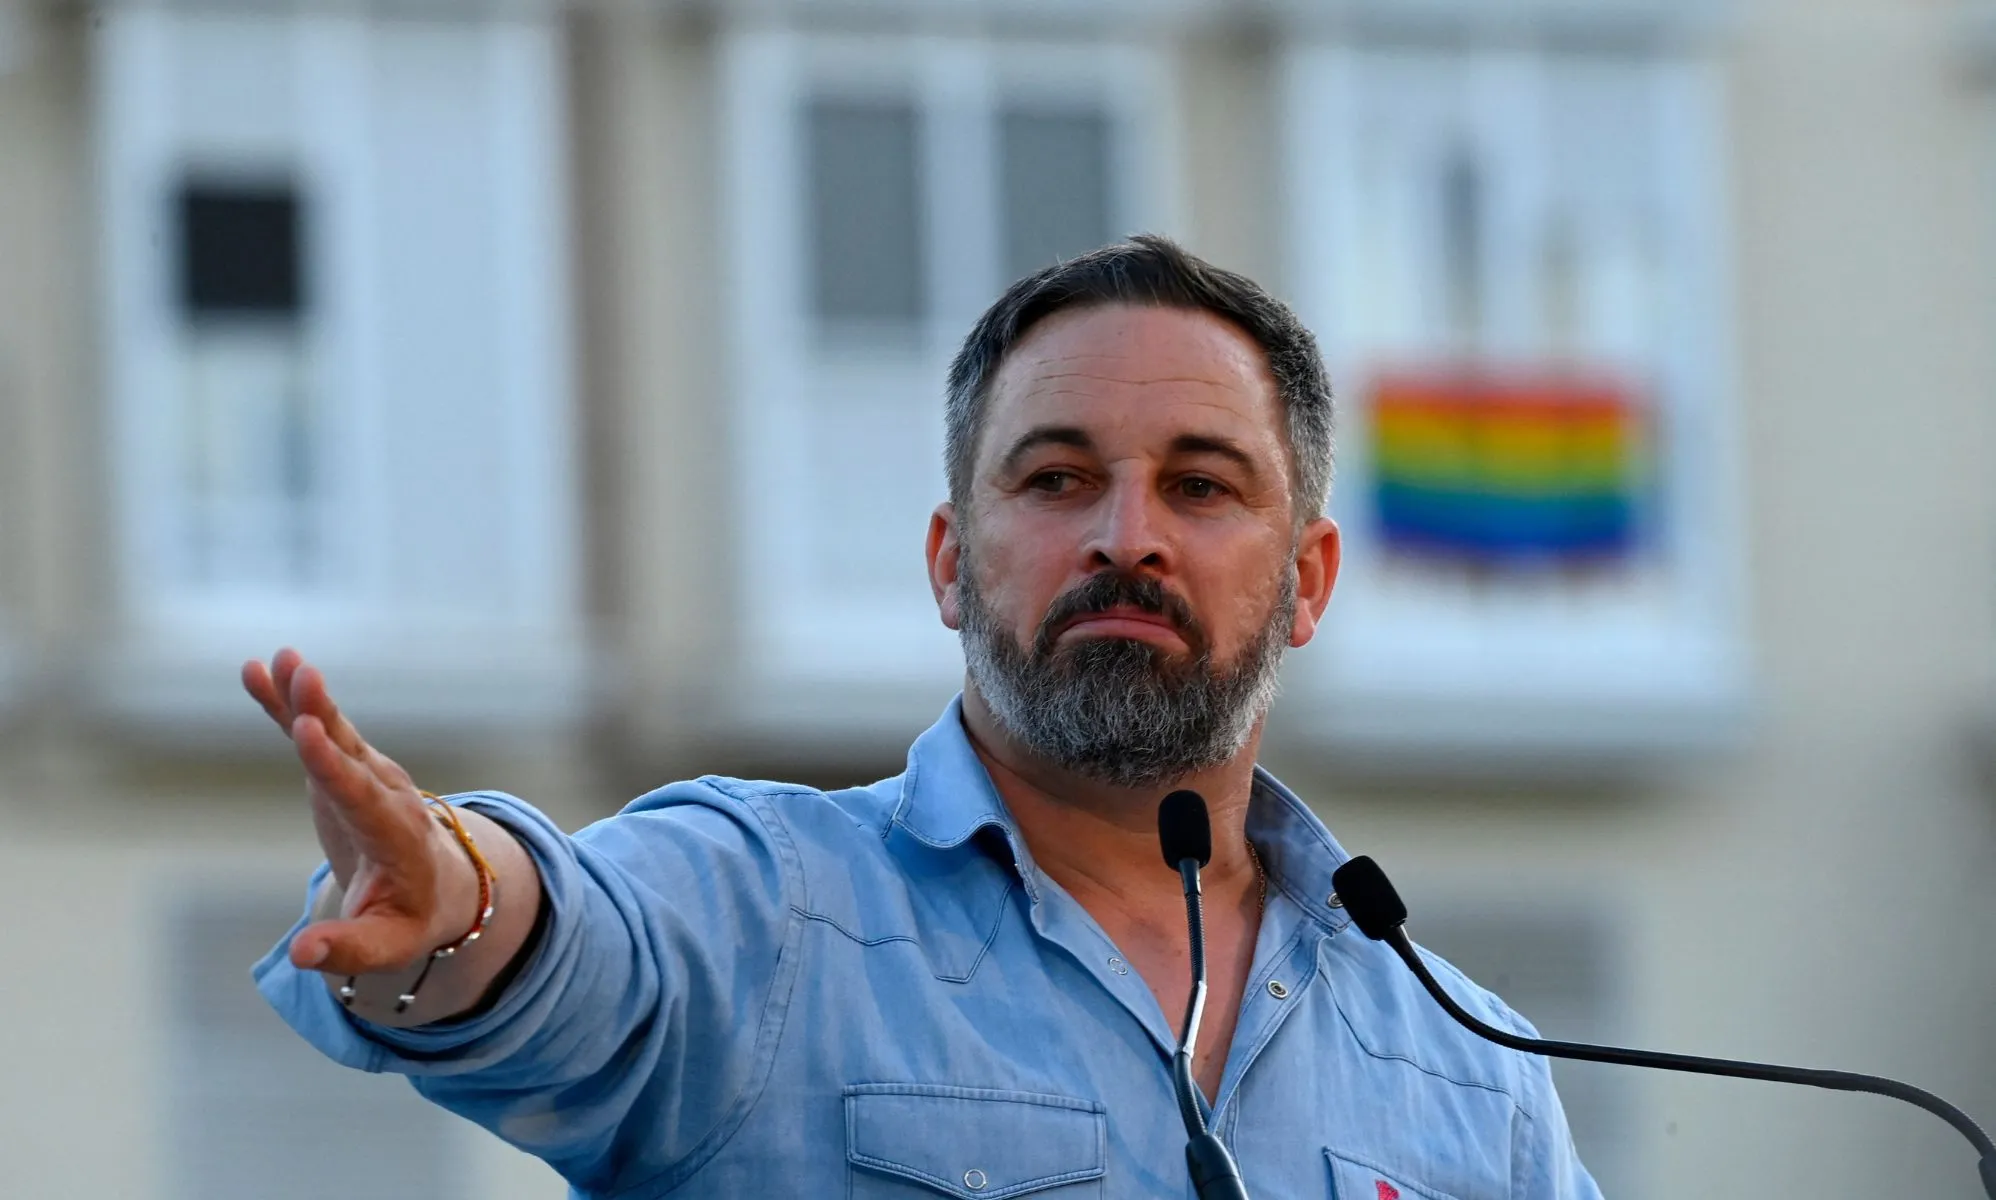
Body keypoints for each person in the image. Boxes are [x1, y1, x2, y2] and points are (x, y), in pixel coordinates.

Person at [249, 236, 1602, 1199]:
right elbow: (575, 955)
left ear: (1305, 580)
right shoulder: (765, 915)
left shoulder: (1473, 1075)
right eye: (1059, 478)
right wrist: (459, 905)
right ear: (951, 561)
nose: (1127, 538)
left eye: (1200, 488)